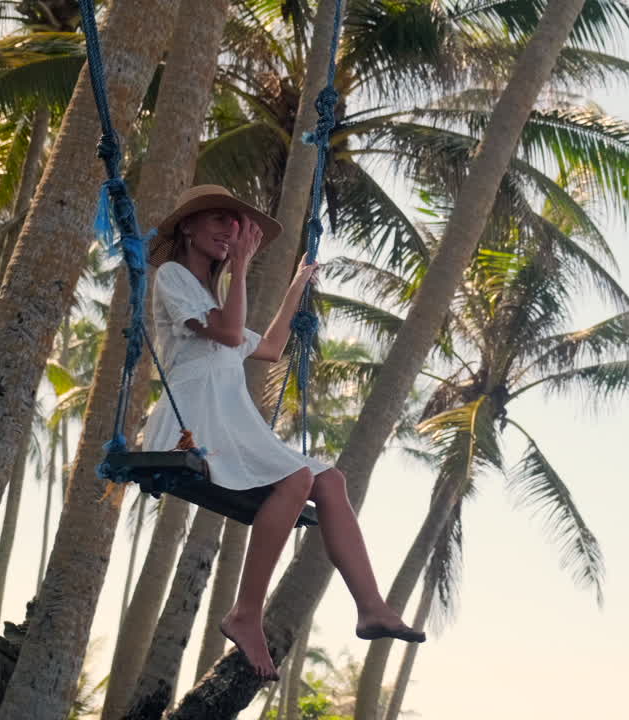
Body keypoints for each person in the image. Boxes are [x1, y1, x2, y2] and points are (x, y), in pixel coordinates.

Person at [141, 185, 424, 680]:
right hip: (191, 424)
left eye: (237, 225)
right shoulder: (173, 277)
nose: (231, 230)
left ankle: (371, 605)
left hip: (230, 422)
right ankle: (244, 614)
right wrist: (242, 268)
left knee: (329, 481)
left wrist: (298, 283)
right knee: (296, 479)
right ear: (187, 225)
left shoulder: (212, 296)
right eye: (218, 220)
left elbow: (269, 347)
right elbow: (229, 334)